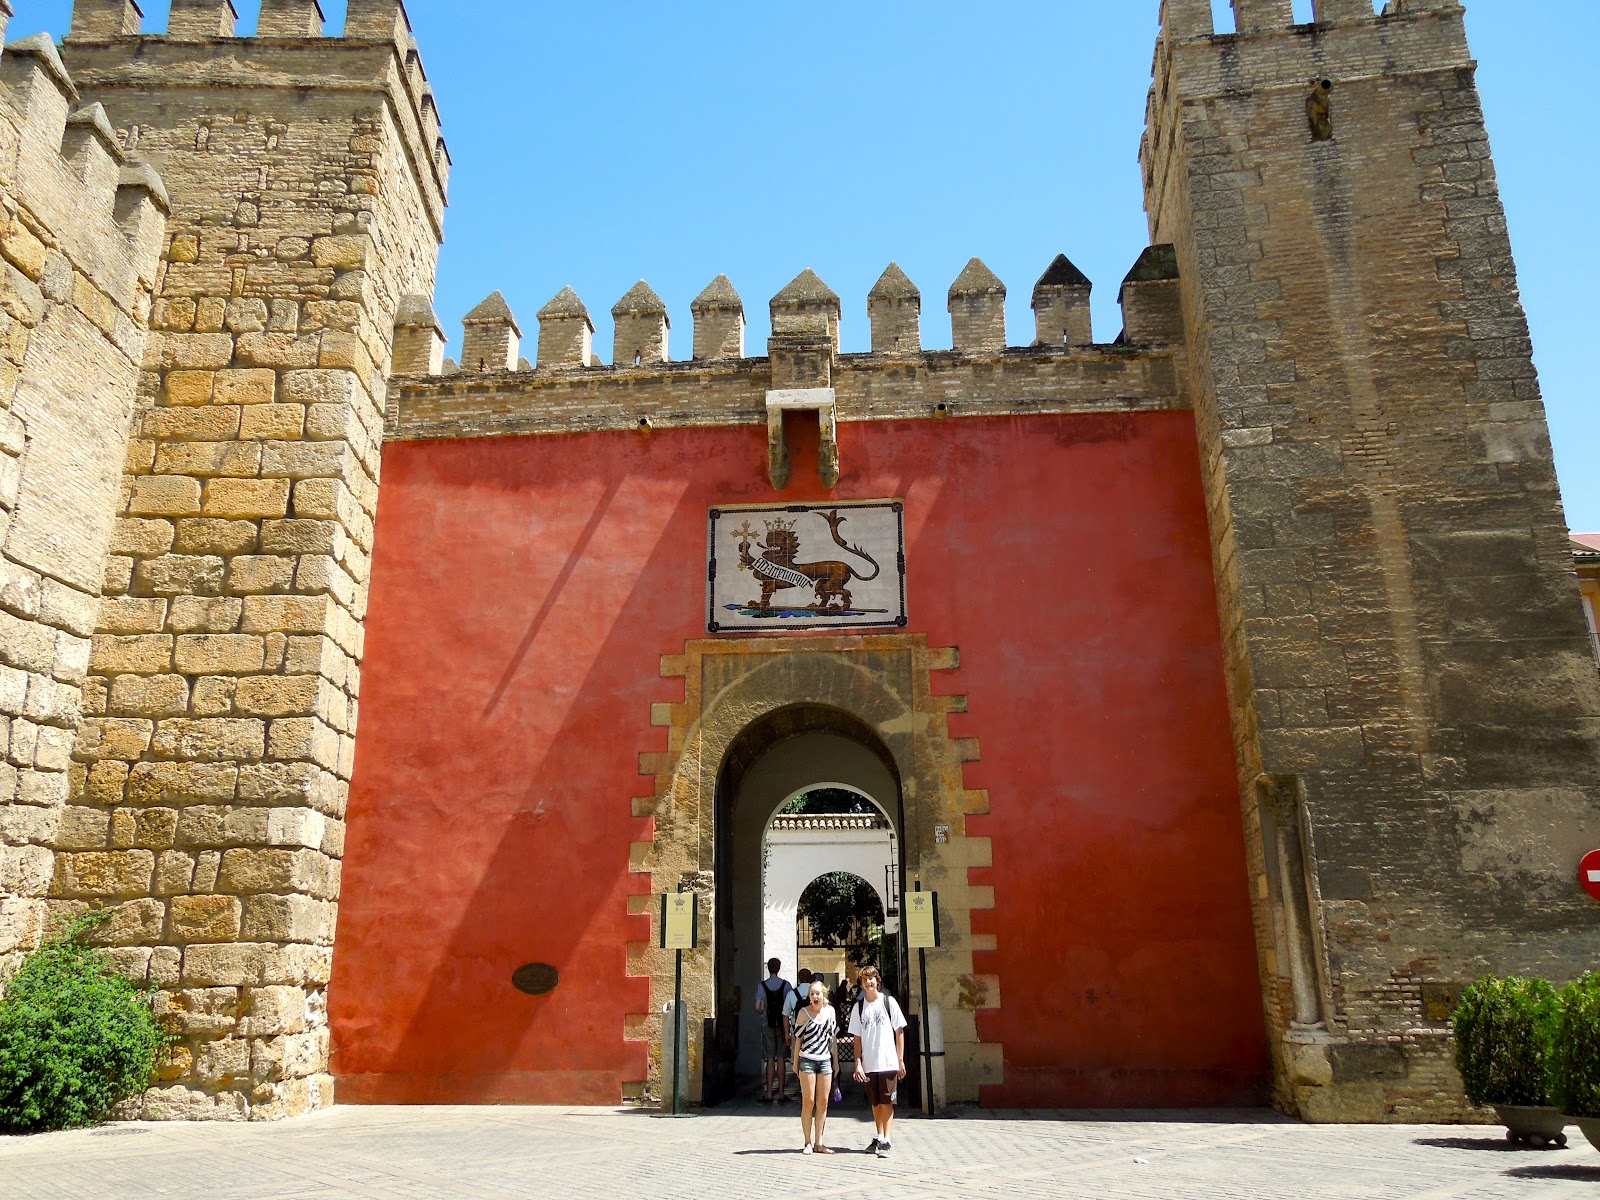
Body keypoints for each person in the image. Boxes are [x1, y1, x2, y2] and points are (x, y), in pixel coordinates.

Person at [848, 965, 906, 1159]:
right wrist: (857, 1062)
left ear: (877, 981)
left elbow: (899, 1031)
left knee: (888, 1100)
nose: (869, 982)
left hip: (888, 1061)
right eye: (865, 980)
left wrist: (900, 1059)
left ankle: (887, 1139)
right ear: (862, 983)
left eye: (871, 979)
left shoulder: (889, 1002)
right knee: (875, 1102)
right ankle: (880, 1134)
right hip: (869, 1063)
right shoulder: (859, 1007)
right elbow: (856, 1037)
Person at [791, 978, 839, 1153]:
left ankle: (819, 1142)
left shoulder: (831, 1012)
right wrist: (795, 1063)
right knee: (808, 1101)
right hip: (808, 1060)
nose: (814, 997)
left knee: (823, 1102)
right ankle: (807, 1142)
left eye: (817, 993)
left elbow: (833, 1039)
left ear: (824, 994)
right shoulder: (804, 1013)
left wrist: (836, 1061)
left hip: (825, 1060)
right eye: (811, 994)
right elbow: (798, 1040)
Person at [754, 958, 793, 1103]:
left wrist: (764, 1013)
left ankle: (769, 1093)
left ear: (768, 968)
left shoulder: (762, 986)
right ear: (779, 967)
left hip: (767, 1024)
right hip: (782, 1025)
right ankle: (782, 1093)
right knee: (781, 1057)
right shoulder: (786, 985)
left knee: (770, 1058)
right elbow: (790, 1006)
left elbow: (757, 1006)